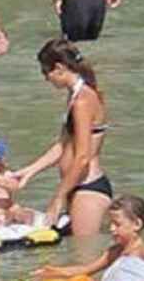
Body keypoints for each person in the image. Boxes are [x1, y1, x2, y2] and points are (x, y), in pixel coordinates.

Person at [18, 39, 112, 243]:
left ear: (59, 68)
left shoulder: (82, 100)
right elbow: (62, 145)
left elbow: (83, 158)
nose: (46, 79)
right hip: (75, 187)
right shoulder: (74, 96)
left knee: (83, 255)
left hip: (88, 188)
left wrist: (58, 198)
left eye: (46, 73)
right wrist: (28, 172)